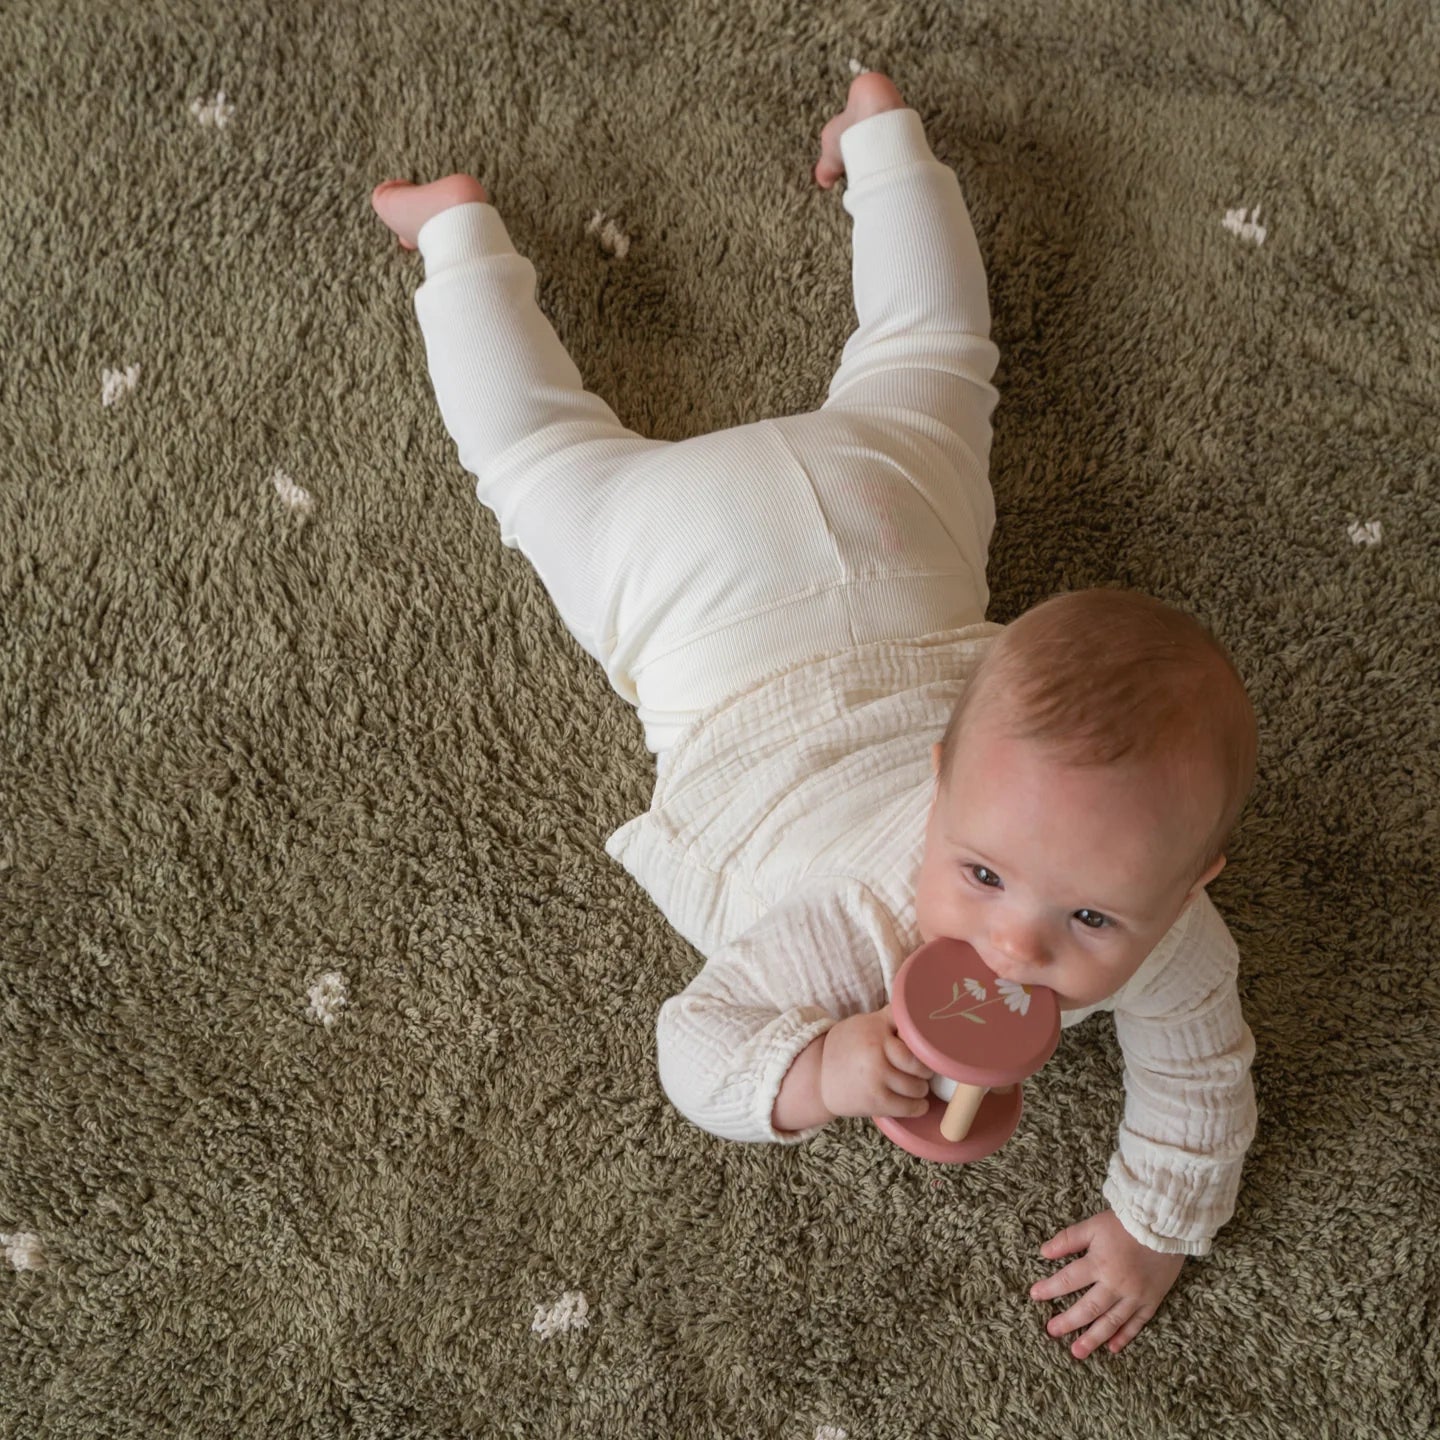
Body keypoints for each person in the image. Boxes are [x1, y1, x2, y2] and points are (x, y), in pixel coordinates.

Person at [371, 70, 1259, 1362]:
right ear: (938, 782)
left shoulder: (1161, 923)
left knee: (933, 357)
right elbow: (697, 1047)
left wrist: (1155, 1224)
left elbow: (1204, 1076)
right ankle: (455, 234)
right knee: (534, 457)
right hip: (689, 602)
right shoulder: (859, 920)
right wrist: (821, 1069)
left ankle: (881, 140)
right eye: (981, 872)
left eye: (1088, 917)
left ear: (1190, 887)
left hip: (891, 538)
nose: (1014, 947)